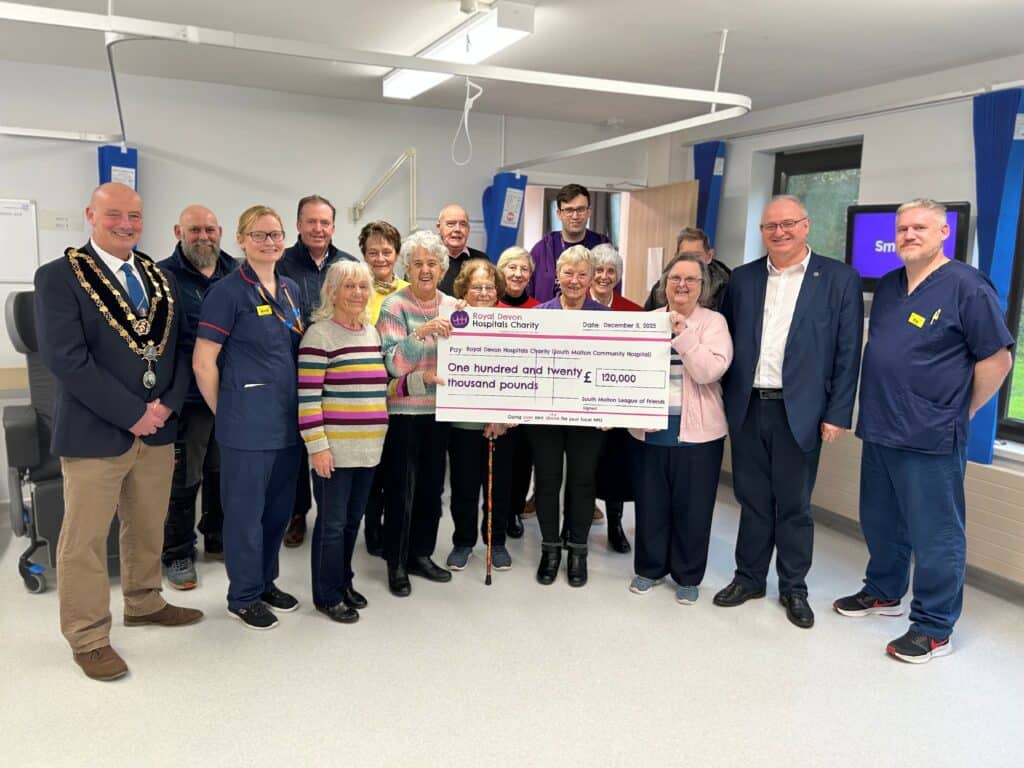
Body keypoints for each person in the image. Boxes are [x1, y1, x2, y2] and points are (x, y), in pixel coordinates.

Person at [34, 182, 202, 681]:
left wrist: (166, 406)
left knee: (147, 524)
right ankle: (87, 636)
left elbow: (178, 349)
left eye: (134, 215)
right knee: (84, 539)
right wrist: (132, 413)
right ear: (90, 214)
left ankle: (145, 602)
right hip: (95, 430)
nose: (126, 224)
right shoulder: (58, 277)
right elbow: (67, 360)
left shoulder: (159, 278)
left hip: (156, 430)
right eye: (114, 216)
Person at [834, 199, 1013, 663]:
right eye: (903, 227)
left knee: (936, 534)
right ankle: (884, 591)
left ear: (943, 233)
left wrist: (962, 410)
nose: (909, 234)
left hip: (931, 433)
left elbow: (997, 359)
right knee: (881, 520)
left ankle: (934, 626)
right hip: (880, 426)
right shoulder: (892, 284)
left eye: (920, 227)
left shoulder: (967, 288)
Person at [714, 194, 863, 629]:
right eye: (769, 226)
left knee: (794, 504)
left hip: (800, 411)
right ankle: (749, 578)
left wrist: (837, 413)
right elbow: (727, 342)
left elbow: (847, 351)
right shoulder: (741, 280)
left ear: (806, 225)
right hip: (747, 406)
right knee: (752, 499)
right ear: (761, 232)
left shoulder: (838, 278)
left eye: (788, 224)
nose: (779, 232)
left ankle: (794, 587)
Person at [193, 205, 304, 630]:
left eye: (275, 235)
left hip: (288, 421)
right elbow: (205, 363)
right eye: (259, 235)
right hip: (246, 426)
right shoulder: (227, 292)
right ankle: (242, 595)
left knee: (277, 511)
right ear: (240, 240)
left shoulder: (291, 289)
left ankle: (265, 582)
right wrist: (229, 412)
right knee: (244, 514)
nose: (270, 242)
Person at [628, 252, 732, 604]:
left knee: (694, 509)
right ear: (664, 285)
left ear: (702, 287)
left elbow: (708, 372)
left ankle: (688, 575)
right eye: (675, 278)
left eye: (690, 279)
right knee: (651, 505)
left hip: (698, 436)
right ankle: (649, 569)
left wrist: (682, 334)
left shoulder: (713, 323)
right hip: (652, 432)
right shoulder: (648, 320)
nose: (682, 285)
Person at [299, 260, 389, 624]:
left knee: (352, 522)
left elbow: (379, 388)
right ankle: (326, 594)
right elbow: (307, 400)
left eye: (363, 287)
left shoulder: (372, 333)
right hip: (334, 452)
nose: (357, 293)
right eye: (348, 287)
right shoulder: (319, 336)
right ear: (331, 292)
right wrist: (317, 447)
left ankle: (343, 581)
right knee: (332, 525)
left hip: (368, 449)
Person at [158, 205, 238, 589]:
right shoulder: (161, 276)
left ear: (220, 231)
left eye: (209, 229)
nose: (203, 236)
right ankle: (177, 553)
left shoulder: (239, 271)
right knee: (184, 479)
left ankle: (217, 538)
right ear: (178, 231)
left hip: (231, 396)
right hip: (186, 398)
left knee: (222, 473)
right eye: (194, 230)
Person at [376, 230, 458, 597]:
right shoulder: (394, 306)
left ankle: (421, 554)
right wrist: (421, 333)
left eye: (432, 263)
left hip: (442, 412)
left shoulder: (455, 306)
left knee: (430, 489)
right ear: (406, 267)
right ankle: (396, 561)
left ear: (443, 267)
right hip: (406, 412)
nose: (425, 270)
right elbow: (394, 364)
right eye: (417, 263)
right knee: (400, 489)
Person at [279, 194, 357, 548]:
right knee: (296, 448)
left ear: (333, 227)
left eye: (325, 223)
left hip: (340, 372)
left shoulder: (348, 265)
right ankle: (297, 513)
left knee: (333, 446)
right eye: (311, 222)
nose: (318, 228)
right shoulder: (280, 263)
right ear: (298, 225)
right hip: (294, 371)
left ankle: (331, 513)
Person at [530, 245, 609, 587]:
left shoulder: (604, 319)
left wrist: (612, 407)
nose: (575, 281)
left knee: (582, 481)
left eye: (582, 274)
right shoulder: (540, 315)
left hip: (587, 416)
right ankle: (550, 549)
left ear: (592, 278)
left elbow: (614, 369)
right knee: (547, 481)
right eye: (568, 273)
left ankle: (578, 549)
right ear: (557, 277)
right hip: (545, 415)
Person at [445, 259, 515, 571]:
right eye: (477, 287)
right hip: (462, 422)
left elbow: (520, 373)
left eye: (489, 287)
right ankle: (462, 541)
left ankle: (496, 541)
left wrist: (504, 416)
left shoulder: (511, 323)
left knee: (498, 488)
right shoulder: (454, 317)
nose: (484, 292)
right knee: (463, 486)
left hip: (501, 425)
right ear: (464, 289)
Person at [358, 220, 408, 558]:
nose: (380, 257)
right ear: (363, 254)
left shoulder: (409, 289)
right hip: (366, 392)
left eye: (386, 251)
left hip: (403, 393)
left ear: (397, 254)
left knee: (397, 468)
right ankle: (371, 529)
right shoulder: (356, 288)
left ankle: (395, 530)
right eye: (373, 251)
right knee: (371, 470)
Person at [590, 243, 641, 550]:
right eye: (598, 270)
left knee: (616, 468)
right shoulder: (574, 305)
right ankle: (578, 524)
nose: (604, 276)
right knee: (583, 468)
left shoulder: (633, 311)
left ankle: (615, 526)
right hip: (582, 403)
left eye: (611, 271)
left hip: (618, 404)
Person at [495, 245, 539, 538]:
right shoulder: (486, 307)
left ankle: (514, 510)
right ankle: (495, 513)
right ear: (501, 270)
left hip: (528, 401)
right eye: (512, 267)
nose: (518, 273)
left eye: (524, 269)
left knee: (523, 461)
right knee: (498, 463)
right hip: (494, 400)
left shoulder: (541, 309)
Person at [528, 183, 610, 303]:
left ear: (589, 212)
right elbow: (528, 295)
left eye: (581, 209)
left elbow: (614, 290)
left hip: (591, 319)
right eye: (569, 210)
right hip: (548, 319)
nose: (575, 216)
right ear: (559, 214)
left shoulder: (602, 246)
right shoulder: (541, 250)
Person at [643, 226, 731, 311]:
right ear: (676, 257)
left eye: (697, 256)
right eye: (684, 256)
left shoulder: (726, 288)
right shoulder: (661, 287)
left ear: (709, 256)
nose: (690, 261)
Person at [437, 203, 488, 295]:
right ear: (439, 228)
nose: (457, 229)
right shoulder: (427, 259)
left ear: (468, 229)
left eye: (463, 224)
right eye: (451, 224)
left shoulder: (481, 260)